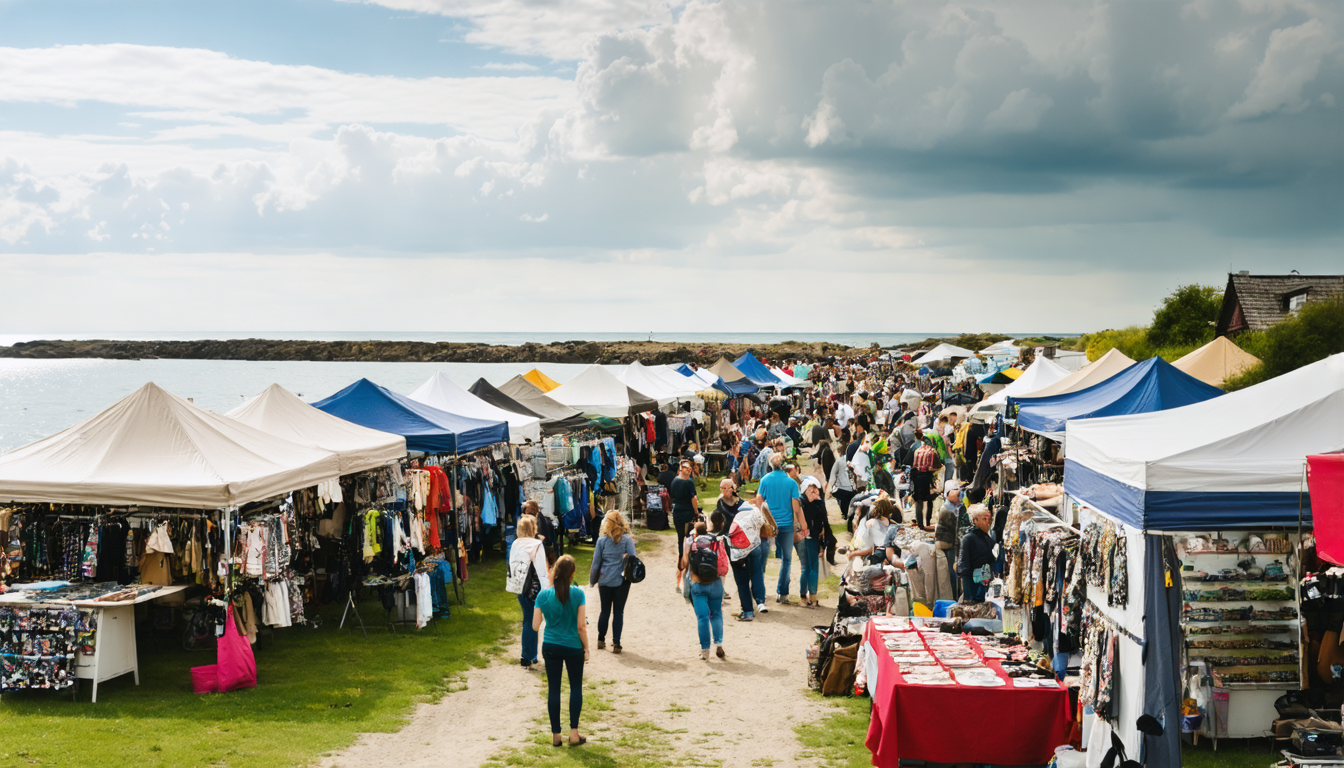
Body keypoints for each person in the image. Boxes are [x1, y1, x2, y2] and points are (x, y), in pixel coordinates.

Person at [532, 555, 589, 747]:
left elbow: (535, 626)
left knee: (554, 688)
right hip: (573, 646)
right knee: (575, 687)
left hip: (551, 645)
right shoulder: (578, 594)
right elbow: (582, 626)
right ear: (572, 574)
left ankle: (556, 735)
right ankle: (574, 732)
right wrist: (586, 648)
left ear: (554, 571)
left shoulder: (543, 596)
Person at [756, 453, 804, 605]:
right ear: (784, 465)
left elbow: (759, 500)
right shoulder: (791, 483)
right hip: (786, 524)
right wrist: (797, 522)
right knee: (787, 559)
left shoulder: (765, 480)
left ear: (770, 465)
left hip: (768, 524)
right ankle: (782, 593)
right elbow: (795, 505)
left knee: (762, 558)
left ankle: (759, 591)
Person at [506, 516, 551, 670]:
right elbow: (541, 570)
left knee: (528, 619)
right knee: (533, 621)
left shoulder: (515, 544)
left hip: (520, 586)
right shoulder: (537, 544)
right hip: (534, 587)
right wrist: (547, 589)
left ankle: (530, 654)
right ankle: (528, 655)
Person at [680, 521, 729, 659]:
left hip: (698, 584)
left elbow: (683, 563)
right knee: (717, 614)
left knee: (702, 618)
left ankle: (705, 651)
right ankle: (719, 644)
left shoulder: (691, 542)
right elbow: (723, 563)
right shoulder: (717, 541)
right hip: (715, 583)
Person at [588, 510, 636, 654]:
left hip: (604, 580)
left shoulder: (601, 541)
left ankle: (600, 639)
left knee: (605, 611)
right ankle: (616, 642)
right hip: (622, 581)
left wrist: (592, 580)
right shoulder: (627, 540)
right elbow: (633, 558)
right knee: (618, 612)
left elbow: (596, 563)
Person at [726, 499, 770, 620]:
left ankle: (748, 611)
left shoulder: (738, 516)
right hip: (755, 547)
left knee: (742, 582)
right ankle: (761, 602)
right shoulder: (755, 512)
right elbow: (763, 525)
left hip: (740, 551)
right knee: (757, 573)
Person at [669, 459, 701, 590]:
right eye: (686, 469)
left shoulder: (675, 481)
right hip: (687, 513)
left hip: (677, 512)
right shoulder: (688, 483)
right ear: (681, 469)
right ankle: (686, 567)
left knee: (681, 539)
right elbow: (694, 499)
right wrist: (696, 512)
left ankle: (681, 567)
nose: (688, 471)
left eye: (690, 469)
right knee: (689, 541)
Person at [956, 505, 996, 603]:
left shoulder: (989, 539)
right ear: (975, 520)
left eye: (989, 519)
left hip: (985, 587)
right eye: (984, 519)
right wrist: (968, 595)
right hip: (973, 588)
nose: (988, 521)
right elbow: (963, 567)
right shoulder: (968, 539)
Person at [798, 477, 828, 608]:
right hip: (803, 538)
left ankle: (811, 597)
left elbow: (822, 523)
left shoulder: (817, 504)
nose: (814, 493)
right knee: (808, 568)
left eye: (815, 490)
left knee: (810, 568)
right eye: (811, 491)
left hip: (811, 538)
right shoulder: (802, 503)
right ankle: (806, 596)